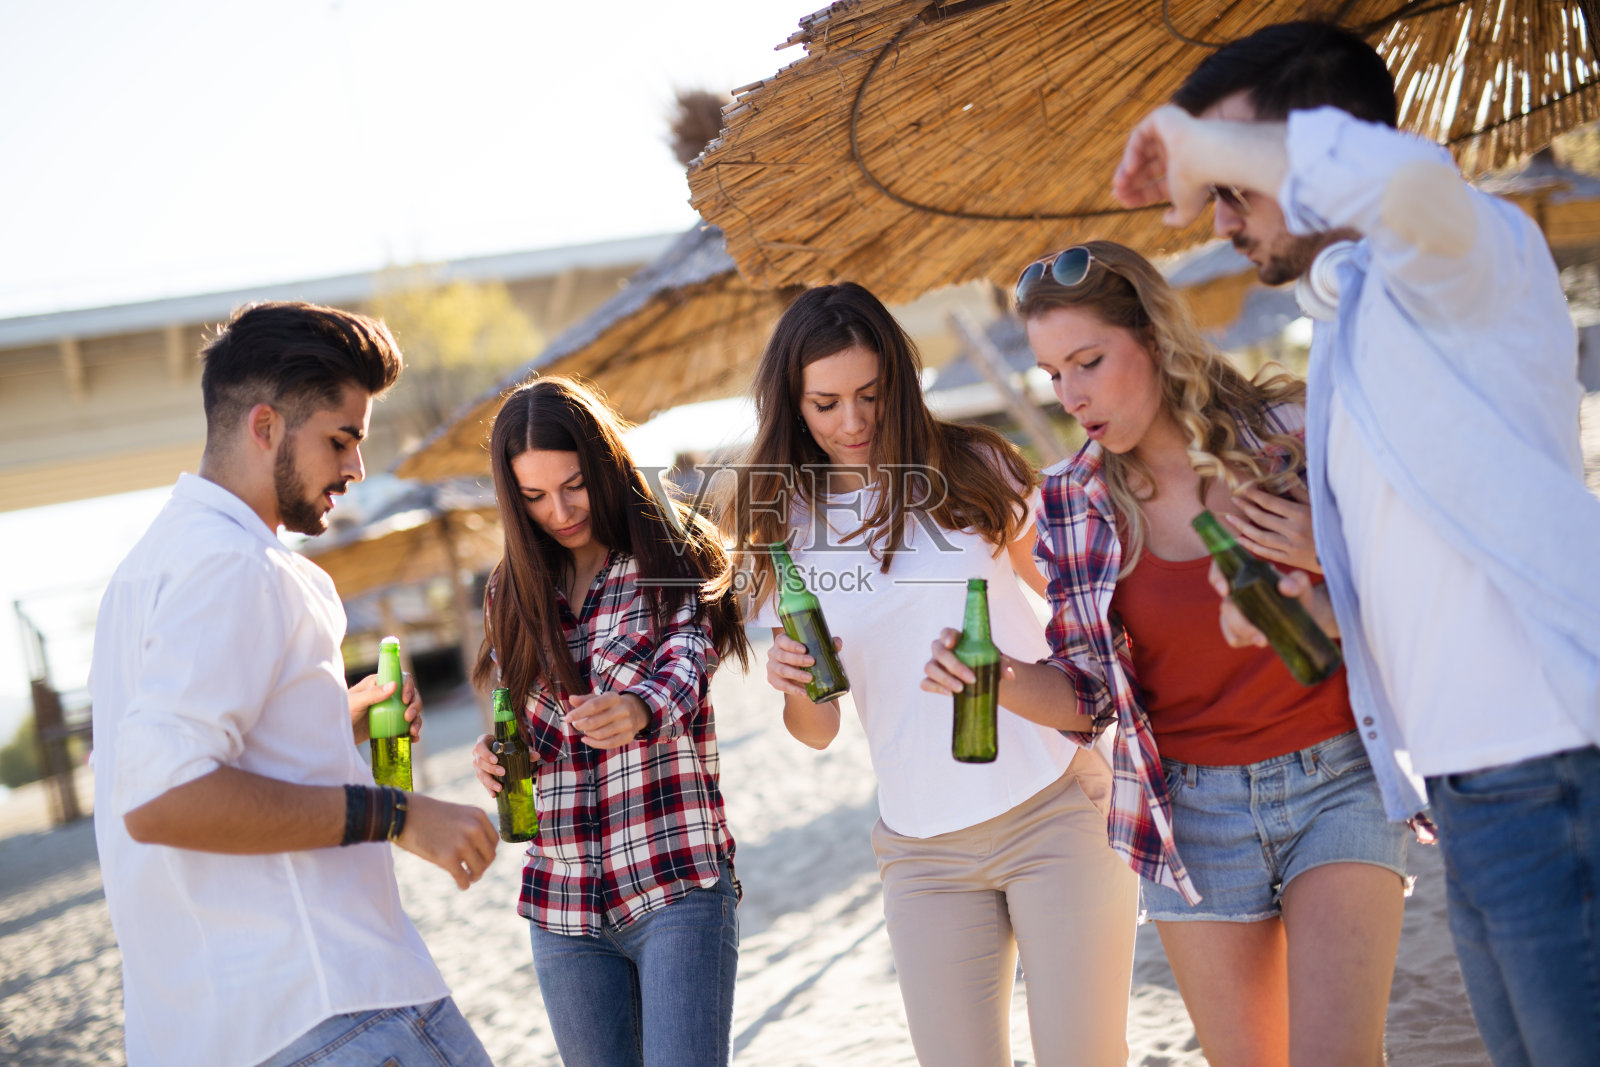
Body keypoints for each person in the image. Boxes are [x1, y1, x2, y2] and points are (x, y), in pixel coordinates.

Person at [1113, 20, 1600, 1066]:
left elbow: (1413, 186)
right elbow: (1428, 563)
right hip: (1464, 786)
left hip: (1552, 758)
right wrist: (1320, 608)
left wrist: (1196, 140)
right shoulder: (1353, 325)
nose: (1220, 216)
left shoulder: (1467, 249)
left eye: (1238, 182)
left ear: (1326, 150)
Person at [922, 241, 1409, 1066]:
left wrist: (1329, 555)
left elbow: (1418, 578)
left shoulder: (1287, 436)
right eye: (1052, 374)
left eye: (1089, 361)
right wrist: (995, 680)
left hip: (1340, 779)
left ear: (1151, 337)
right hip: (1193, 815)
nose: (1072, 395)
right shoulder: (1071, 502)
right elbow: (1089, 695)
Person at [724, 282, 1138, 1067]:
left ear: (900, 384)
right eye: (826, 403)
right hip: (922, 854)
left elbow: (1079, 609)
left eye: (870, 395)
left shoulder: (975, 466)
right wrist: (792, 682)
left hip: (1054, 811)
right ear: (793, 403)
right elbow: (818, 730)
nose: (852, 421)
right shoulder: (787, 522)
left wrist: (1044, 690)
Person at [89, 301, 500, 1067]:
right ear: (266, 425)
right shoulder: (236, 564)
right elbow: (159, 797)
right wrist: (399, 812)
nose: (356, 468)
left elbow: (184, 751)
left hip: (209, 1032)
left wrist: (331, 716)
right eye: (341, 440)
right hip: (330, 1003)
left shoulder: (143, 572)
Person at [469, 375, 750, 1067]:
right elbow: (523, 722)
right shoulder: (510, 590)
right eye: (533, 496)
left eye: (573, 485)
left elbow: (688, 664)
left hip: (676, 886)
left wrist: (639, 708)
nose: (558, 510)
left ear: (605, 466)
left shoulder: (671, 553)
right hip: (563, 908)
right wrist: (495, 756)